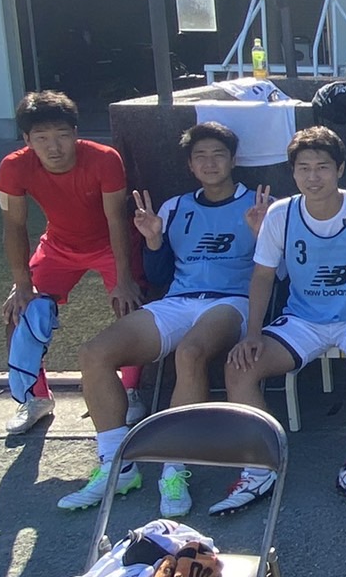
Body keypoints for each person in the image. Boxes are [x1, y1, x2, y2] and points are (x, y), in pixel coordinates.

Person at [57, 122, 271, 514]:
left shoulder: (258, 205)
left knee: (189, 353)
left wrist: (262, 235)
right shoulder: (175, 207)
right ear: (190, 165)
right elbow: (158, 276)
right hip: (178, 301)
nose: (210, 163)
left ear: (233, 160)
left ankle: (175, 468)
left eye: (218, 155)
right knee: (94, 353)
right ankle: (116, 465)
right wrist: (154, 240)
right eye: (200, 156)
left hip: (231, 302)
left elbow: (280, 274)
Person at [220, 126, 346, 511]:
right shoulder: (281, 213)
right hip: (303, 320)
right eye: (303, 168)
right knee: (240, 366)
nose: (313, 177)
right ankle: (259, 467)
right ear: (292, 172)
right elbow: (263, 276)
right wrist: (252, 333)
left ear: (340, 169)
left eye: (322, 167)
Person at [0, 91, 144, 437]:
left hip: (109, 244)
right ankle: (35, 397)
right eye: (42, 138)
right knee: (19, 312)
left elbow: (116, 220)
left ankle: (130, 390)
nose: (54, 147)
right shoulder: (14, 166)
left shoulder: (104, 158)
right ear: (27, 139)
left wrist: (124, 279)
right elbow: (13, 226)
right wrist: (22, 284)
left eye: (62, 135)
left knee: (131, 307)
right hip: (59, 244)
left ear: (75, 132)